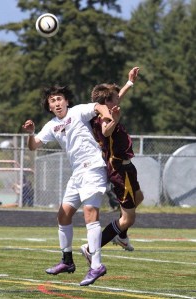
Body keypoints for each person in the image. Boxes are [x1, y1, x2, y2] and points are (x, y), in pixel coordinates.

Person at [22, 85, 113, 286]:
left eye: (59, 99)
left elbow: (99, 106)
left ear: (66, 101)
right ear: (49, 106)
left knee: (90, 213)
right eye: (52, 101)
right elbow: (34, 145)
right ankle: (67, 261)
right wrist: (31, 133)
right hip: (77, 173)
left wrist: (107, 117)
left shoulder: (78, 111)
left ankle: (96, 265)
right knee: (63, 215)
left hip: (93, 168)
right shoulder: (52, 125)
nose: (57, 103)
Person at [80, 67, 144, 263]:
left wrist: (129, 83)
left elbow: (116, 99)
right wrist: (114, 121)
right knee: (128, 219)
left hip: (127, 167)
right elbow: (106, 131)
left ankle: (121, 235)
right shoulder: (102, 118)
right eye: (115, 98)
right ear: (106, 102)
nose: (119, 100)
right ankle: (91, 247)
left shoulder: (106, 109)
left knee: (139, 197)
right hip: (118, 169)